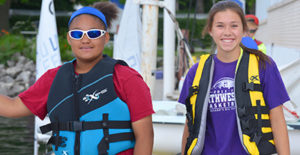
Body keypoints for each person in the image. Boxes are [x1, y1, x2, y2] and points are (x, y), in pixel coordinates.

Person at [0, 2, 154, 155]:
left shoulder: (127, 78)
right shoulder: (53, 79)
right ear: (69, 38)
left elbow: (145, 135)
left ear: (106, 37)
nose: (85, 40)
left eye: (93, 33)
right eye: (77, 34)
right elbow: (13, 107)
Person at [179, 1, 290, 155]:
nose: (227, 32)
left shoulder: (264, 66)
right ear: (210, 30)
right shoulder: (195, 73)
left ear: (244, 30)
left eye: (234, 25)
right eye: (220, 26)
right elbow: (189, 124)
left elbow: (277, 120)